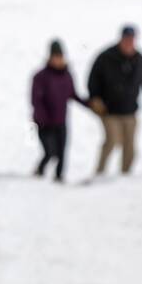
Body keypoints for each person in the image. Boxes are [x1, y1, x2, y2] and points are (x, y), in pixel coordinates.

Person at [87, 25, 142, 175]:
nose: (128, 42)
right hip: (108, 111)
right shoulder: (106, 57)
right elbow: (92, 79)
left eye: (131, 39)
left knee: (130, 148)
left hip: (130, 111)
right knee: (112, 141)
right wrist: (94, 98)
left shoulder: (141, 61)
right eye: (126, 39)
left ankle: (125, 176)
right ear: (121, 39)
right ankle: (100, 172)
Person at [31, 40, 88, 182]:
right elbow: (36, 101)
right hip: (44, 123)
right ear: (50, 57)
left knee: (62, 152)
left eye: (60, 56)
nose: (58, 59)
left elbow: (73, 95)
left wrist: (90, 104)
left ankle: (59, 177)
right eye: (55, 56)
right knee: (50, 152)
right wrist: (41, 118)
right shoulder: (40, 76)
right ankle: (40, 170)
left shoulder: (66, 76)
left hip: (61, 121)